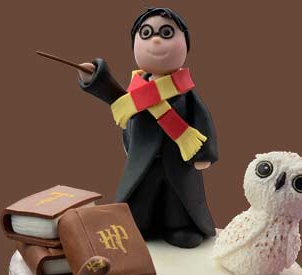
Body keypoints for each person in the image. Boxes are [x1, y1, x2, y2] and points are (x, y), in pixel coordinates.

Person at [77, 7, 218, 248]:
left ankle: (179, 227)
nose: (156, 40)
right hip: (143, 159)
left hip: (179, 160)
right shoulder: (136, 92)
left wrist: (205, 153)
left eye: (166, 33)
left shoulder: (185, 92)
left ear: (185, 43)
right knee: (142, 196)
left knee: (178, 200)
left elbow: (202, 120)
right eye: (146, 33)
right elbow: (115, 98)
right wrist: (94, 78)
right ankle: (141, 224)